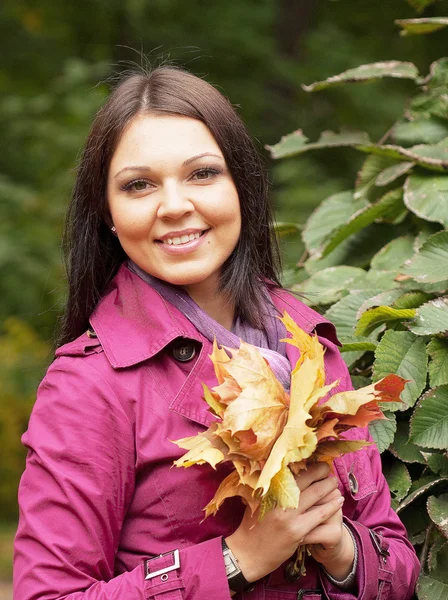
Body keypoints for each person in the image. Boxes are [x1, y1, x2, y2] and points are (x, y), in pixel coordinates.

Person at [14, 66, 420, 600]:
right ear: (108, 214)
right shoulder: (89, 385)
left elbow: (395, 557)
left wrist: (341, 549)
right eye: (139, 185)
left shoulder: (306, 341)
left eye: (202, 173)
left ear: (242, 186)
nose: (175, 205)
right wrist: (236, 560)